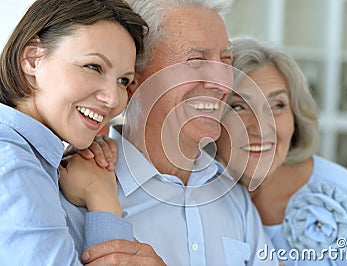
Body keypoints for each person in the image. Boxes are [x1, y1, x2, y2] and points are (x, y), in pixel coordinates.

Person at [61, 0, 277, 265]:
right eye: (195, 60)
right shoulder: (73, 188)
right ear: (134, 77)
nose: (222, 83)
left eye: (226, 60)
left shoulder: (232, 195)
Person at [0, 0, 164, 264]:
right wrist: (102, 197)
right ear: (32, 59)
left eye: (123, 81)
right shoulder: (13, 165)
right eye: (94, 67)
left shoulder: (47, 162)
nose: (112, 99)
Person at [214, 36, 347, 265]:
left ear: (296, 118)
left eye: (277, 105)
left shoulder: (336, 195)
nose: (261, 128)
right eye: (239, 106)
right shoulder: (203, 192)